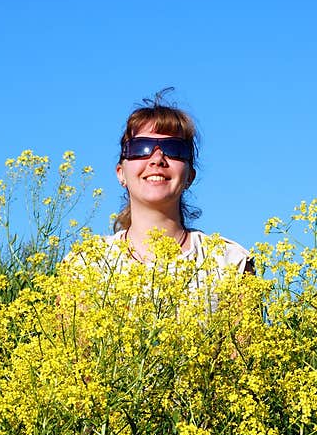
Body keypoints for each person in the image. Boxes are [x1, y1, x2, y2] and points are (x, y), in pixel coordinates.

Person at [101, 89, 254, 287]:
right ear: (121, 173)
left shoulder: (230, 263)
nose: (157, 159)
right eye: (141, 148)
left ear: (190, 176)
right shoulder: (85, 266)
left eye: (174, 149)